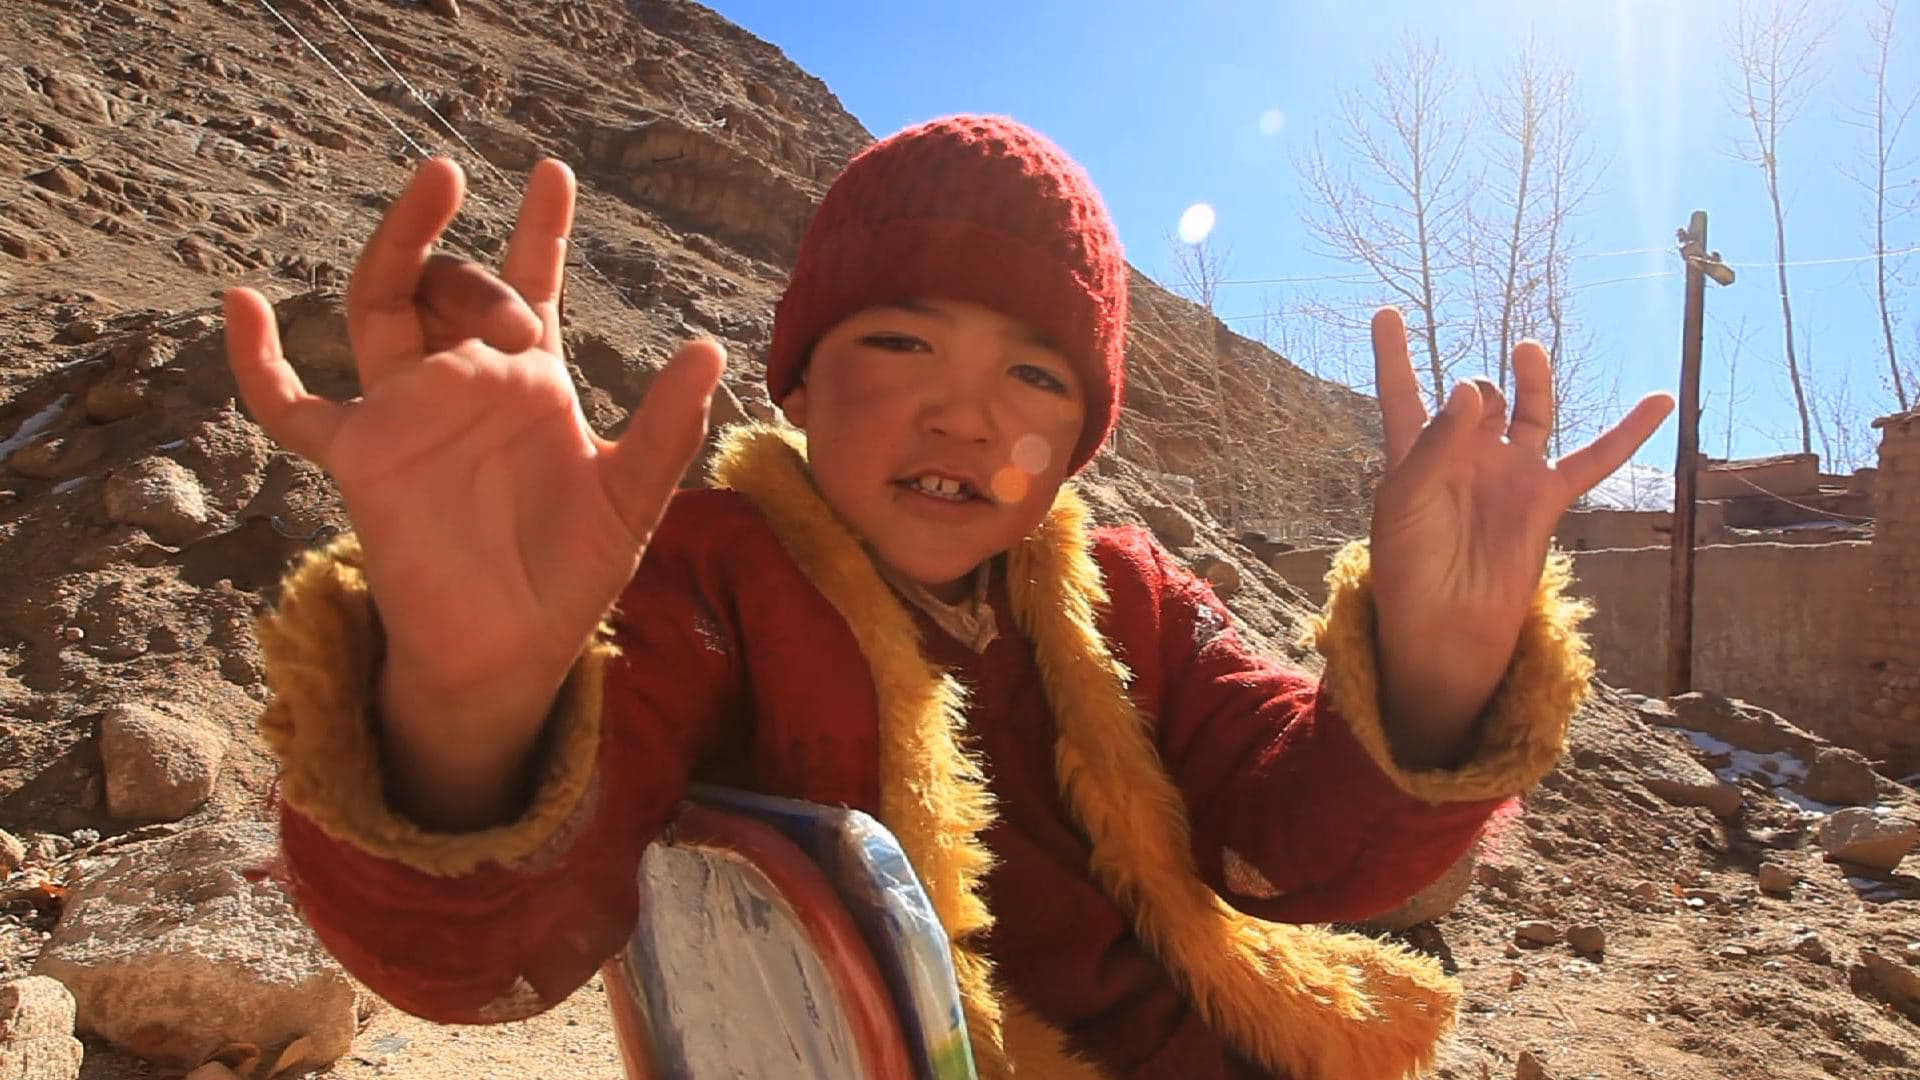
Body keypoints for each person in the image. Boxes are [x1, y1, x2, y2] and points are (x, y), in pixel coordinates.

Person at [221, 115, 1672, 1079]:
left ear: (1080, 439)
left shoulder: (1126, 592)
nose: (968, 422)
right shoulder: (708, 575)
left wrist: (1429, 668)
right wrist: (470, 696)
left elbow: (1296, 842)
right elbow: (498, 951)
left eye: (1035, 377)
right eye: (903, 345)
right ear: (797, 381)